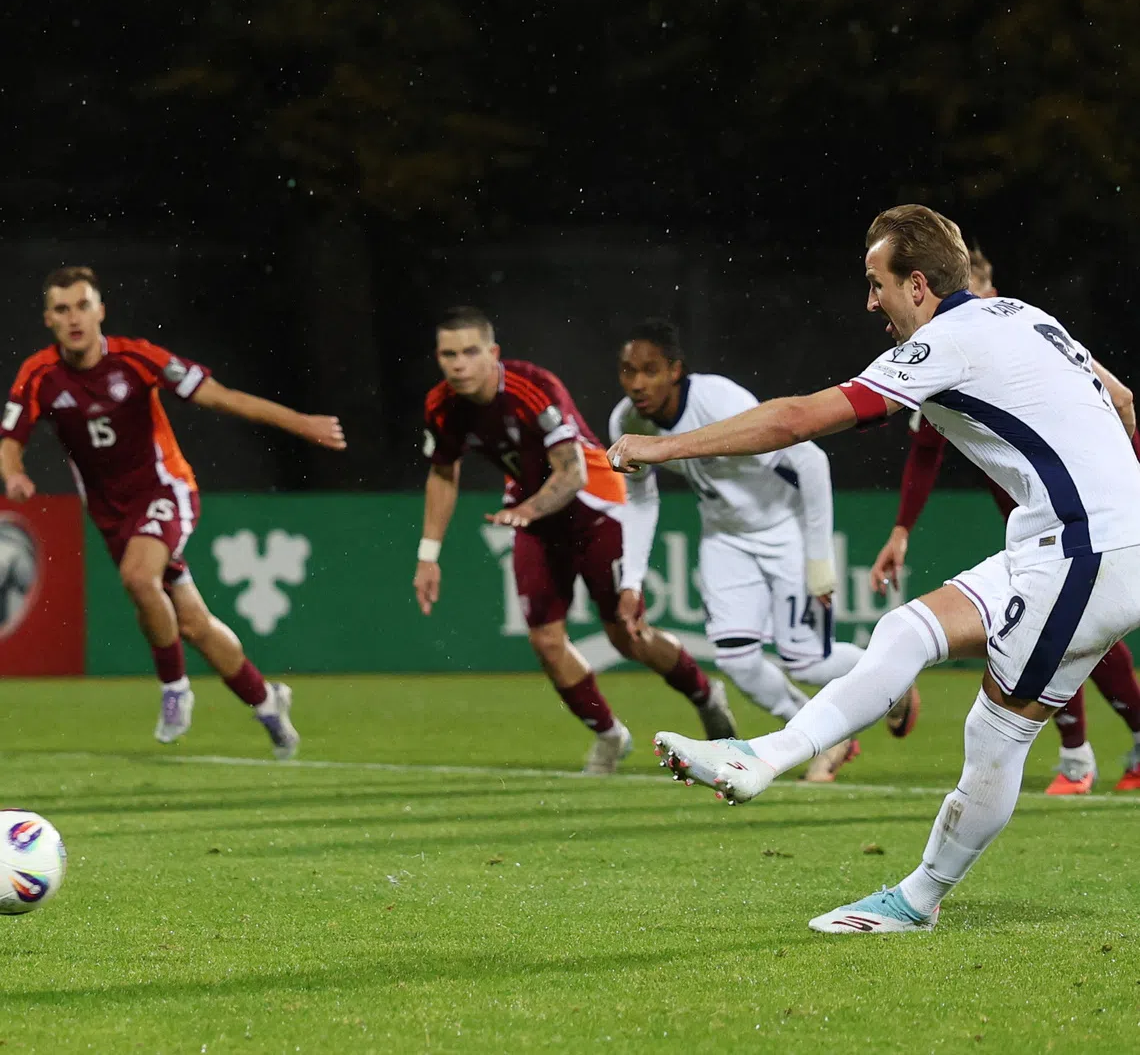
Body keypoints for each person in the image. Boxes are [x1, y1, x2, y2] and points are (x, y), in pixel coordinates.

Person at [608, 205, 1140, 933]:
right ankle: (761, 757)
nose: (870, 302)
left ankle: (917, 900)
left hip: (1086, 550)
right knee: (907, 630)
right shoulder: (1020, 313)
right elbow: (1122, 400)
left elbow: (797, 419)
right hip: (1062, 541)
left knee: (997, 736)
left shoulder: (945, 343)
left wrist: (659, 450)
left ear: (917, 285)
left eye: (876, 283)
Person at [0, 267, 346, 757]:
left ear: (101, 311)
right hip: (110, 514)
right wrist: (13, 475)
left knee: (139, 579)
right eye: (62, 309)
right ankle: (266, 700)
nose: (74, 318)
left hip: (166, 489)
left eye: (82, 305)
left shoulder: (138, 359)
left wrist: (302, 423)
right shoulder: (39, 375)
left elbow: (222, 397)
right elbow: (10, 439)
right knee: (194, 624)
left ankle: (174, 688)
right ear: (48, 320)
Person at [414, 306, 737, 775]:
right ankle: (610, 736)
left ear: (493, 353)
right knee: (546, 642)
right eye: (448, 354)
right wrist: (428, 555)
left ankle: (706, 695)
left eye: (470, 352)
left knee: (627, 635)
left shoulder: (532, 388)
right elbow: (443, 473)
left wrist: (525, 509)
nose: (459, 364)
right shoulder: (442, 405)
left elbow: (572, 473)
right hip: (536, 520)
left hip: (597, 509)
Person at [870, 247, 1140, 794]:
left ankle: (1081, 756)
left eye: (985, 293)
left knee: (1068, 634)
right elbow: (924, 451)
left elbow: (1123, 400)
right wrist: (900, 529)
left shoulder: (1020, 330)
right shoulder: (939, 356)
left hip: (1093, 517)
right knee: (1058, 633)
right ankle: (1077, 757)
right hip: (1048, 522)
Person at [610, 318, 919, 782]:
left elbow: (810, 460)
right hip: (723, 537)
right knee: (736, 659)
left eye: (649, 370)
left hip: (784, 530)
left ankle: (895, 678)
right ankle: (822, 735)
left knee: (807, 660)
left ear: (675, 370)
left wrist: (818, 559)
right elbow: (640, 499)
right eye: (627, 372)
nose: (637, 384)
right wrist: (631, 582)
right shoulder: (626, 420)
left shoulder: (718, 400)